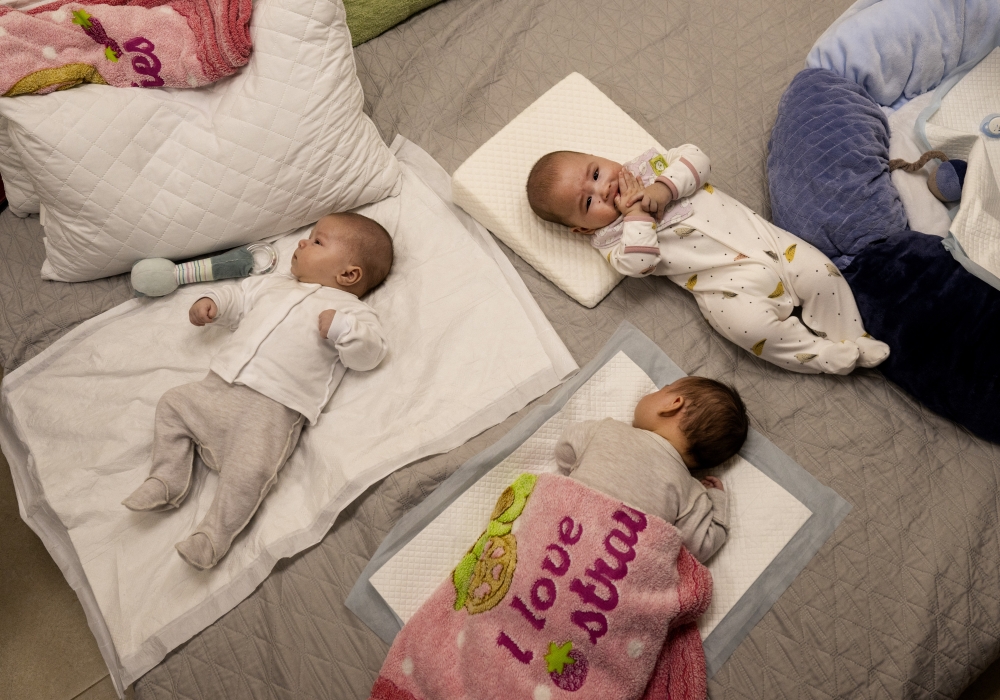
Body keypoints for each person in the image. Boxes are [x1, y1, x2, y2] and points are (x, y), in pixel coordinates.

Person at [122, 212, 392, 569]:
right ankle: (166, 479)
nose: (301, 243)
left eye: (316, 241)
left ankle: (212, 536)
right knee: (173, 403)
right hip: (218, 386)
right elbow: (239, 297)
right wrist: (215, 305)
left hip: (271, 410)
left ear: (349, 274)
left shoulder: (352, 312)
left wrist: (343, 329)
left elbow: (370, 354)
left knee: (249, 474)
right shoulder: (274, 284)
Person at [527, 147, 890, 375]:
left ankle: (853, 334)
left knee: (820, 273)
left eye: (595, 173)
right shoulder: (612, 243)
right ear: (580, 229)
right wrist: (637, 213)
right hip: (724, 286)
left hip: (769, 243)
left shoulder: (650, 166)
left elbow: (698, 159)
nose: (603, 189)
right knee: (747, 328)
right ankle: (822, 355)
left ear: (602, 157)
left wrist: (661, 188)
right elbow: (640, 264)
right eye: (588, 203)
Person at [555, 376, 747, 562]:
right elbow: (701, 547)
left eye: (662, 389)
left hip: (562, 534)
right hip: (609, 567)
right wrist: (718, 500)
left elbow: (564, 449)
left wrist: (577, 474)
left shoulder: (606, 430)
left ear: (673, 404)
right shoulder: (690, 490)